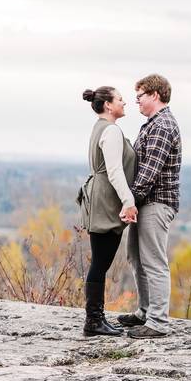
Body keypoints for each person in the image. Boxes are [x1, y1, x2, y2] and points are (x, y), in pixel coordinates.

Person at [117, 73, 182, 339]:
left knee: (154, 262)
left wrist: (129, 202)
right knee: (136, 257)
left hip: (155, 203)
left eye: (140, 97)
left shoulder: (162, 126)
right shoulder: (151, 124)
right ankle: (144, 311)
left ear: (155, 95)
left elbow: (148, 173)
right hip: (145, 203)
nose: (137, 102)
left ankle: (158, 322)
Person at [80, 86, 137, 337]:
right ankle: (94, 320)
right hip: (106, 201)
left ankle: (95, 318)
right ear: (108, 105)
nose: (125, 102)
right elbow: (114, 171)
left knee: (100, 261)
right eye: (120, 99)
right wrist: (128, 201)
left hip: (97, 197)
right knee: (101, 262)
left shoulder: (99, 128)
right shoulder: (111, 130)